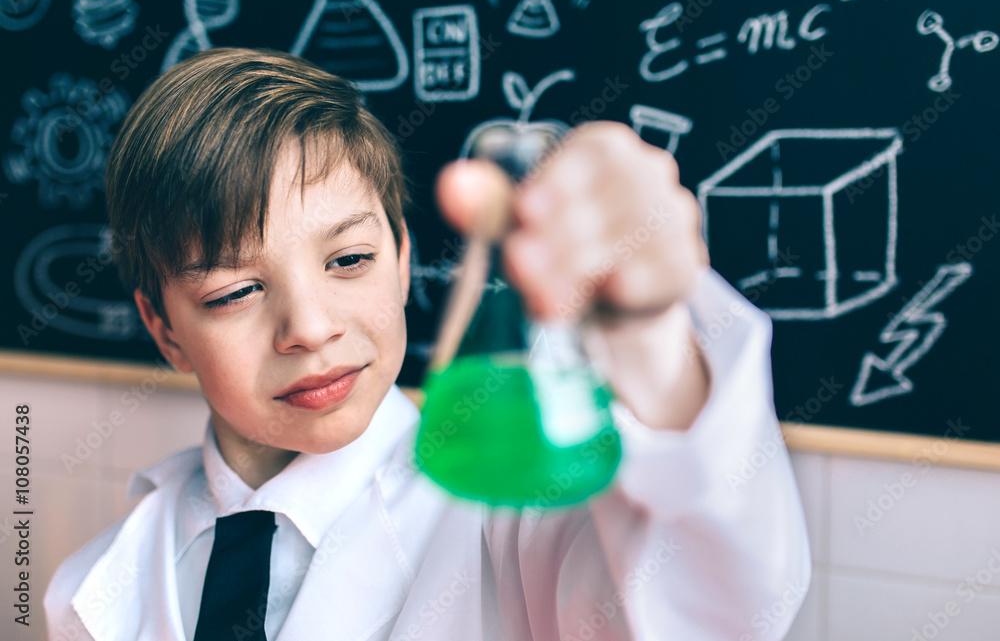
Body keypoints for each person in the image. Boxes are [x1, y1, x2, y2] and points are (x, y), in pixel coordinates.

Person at [44, 47, 810, 641]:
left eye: (348, 259)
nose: (311, 327)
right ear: (164, 329)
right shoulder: (96, 584)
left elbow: (720, 606)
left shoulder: (511, 517)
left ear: (404, 257)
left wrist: (648, 337)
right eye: (234, 292)